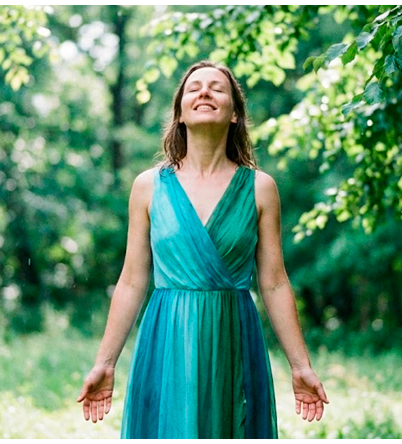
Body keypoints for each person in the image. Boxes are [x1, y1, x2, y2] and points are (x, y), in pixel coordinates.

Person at [77, 61, 329, 439]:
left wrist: (300, 365)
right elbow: (131, 281)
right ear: (179, 113)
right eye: (194, 88)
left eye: (217, 88)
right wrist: (105, 363)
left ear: (234, 115)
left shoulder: (260, 188)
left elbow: (274, 283)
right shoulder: (148, 186)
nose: (205, 92)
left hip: (233, 338)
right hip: (166, 338)